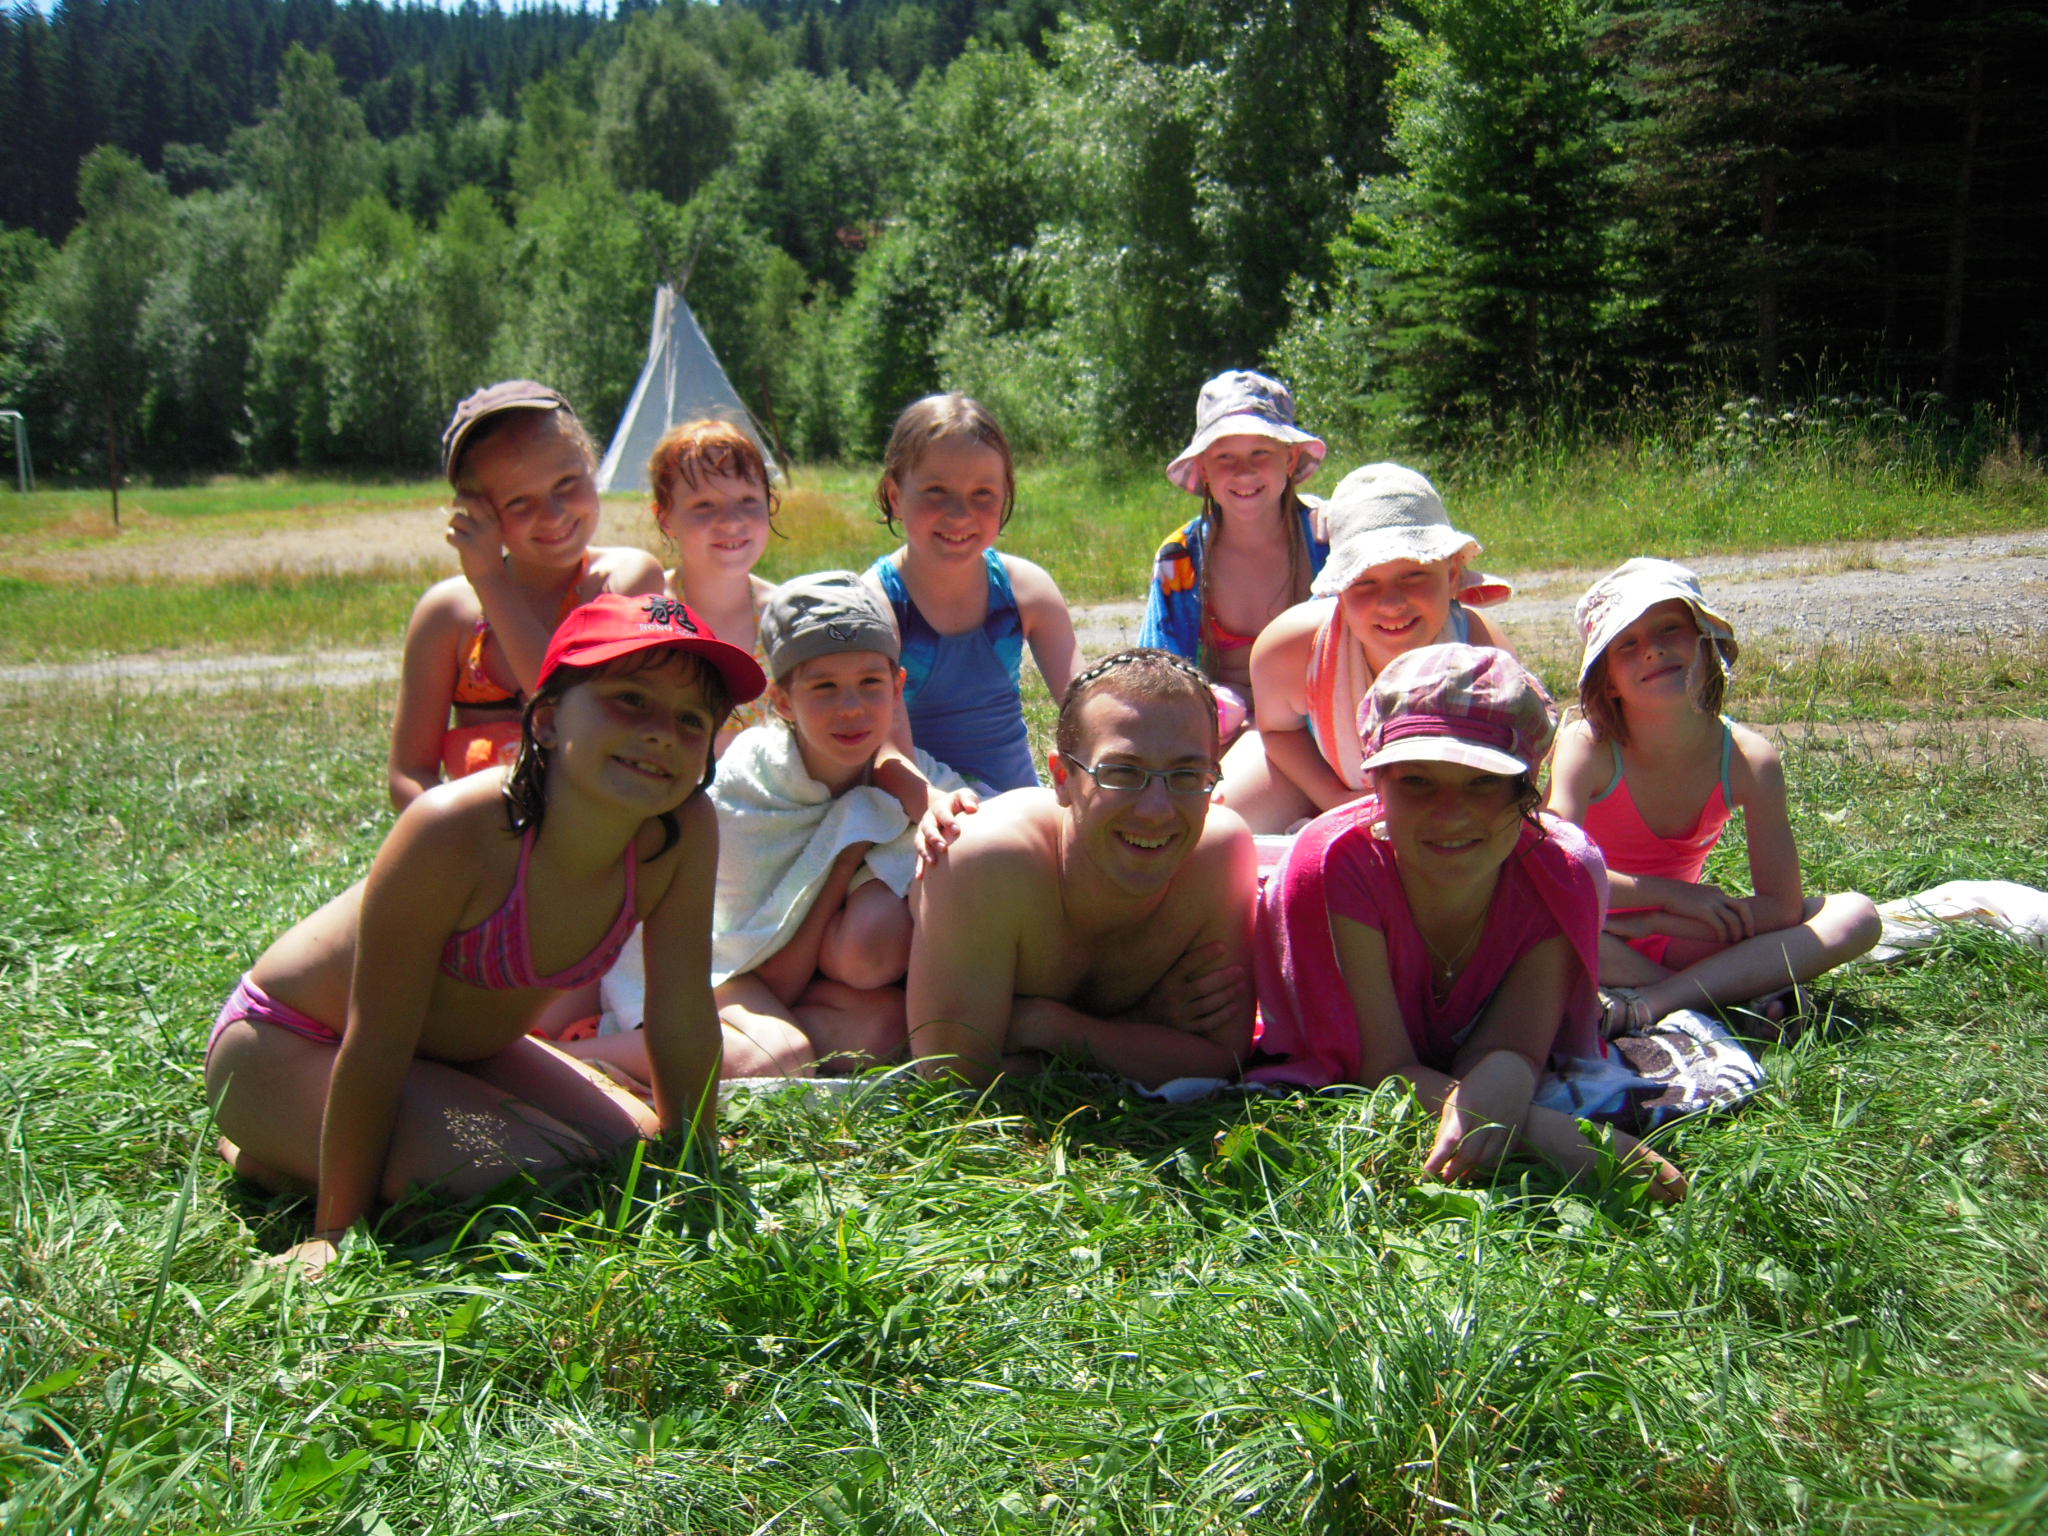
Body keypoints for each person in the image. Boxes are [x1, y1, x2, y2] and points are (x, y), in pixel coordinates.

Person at [206, 593, 765, 1277]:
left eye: (691, 719)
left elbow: (681, 1012)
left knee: (634, 1151)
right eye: (630, 700)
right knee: (528, 1175)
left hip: (460, 1055)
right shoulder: (456, 829)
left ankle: (360, 1138)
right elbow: (377, 1041)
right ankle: (269, 1153)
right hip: (292, 1043)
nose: (662, 734)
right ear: (550, 719)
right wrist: (335, 1230)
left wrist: (695, 1166)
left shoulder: (680, 829)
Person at [1249, 643, 1688, 1201]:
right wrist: (1552, 1135)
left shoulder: (1561, 874)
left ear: (1526, 787)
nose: (1450, 811)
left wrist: (1509, 1067)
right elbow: (1381, 1067)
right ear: (1378, 784)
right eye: (1417, 781)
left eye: (1481, 781)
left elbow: (1516, 1040)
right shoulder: (1334, 866)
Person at [586, 572, 970, 1079]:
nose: (851, 707)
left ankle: (729, 1053)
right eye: (824, 687)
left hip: (788, 983)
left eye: (870, 684)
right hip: (707, 972)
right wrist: (844, 860)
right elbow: (767, 972)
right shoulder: (748, 790)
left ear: (897, 688)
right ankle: (574, 1056)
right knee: (779, 1055)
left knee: (883, 1029)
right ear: (783, 701)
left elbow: (975, 827)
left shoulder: (914, 777)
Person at [1547, 558, 1881, 1033]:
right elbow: (1556, 871)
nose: (1653, 650)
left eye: (1670, 629)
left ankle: (1656, 1000)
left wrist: (1659, 921)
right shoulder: (1587, 746)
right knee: (1538, 924)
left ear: (1708, 644)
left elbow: (1782, 907)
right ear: (1608, 682)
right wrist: (1674, 896)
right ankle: (1724, 994)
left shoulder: (1749, 760)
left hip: (1679, 936)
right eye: (1627, 643)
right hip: (1590, 928)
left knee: (1856, 915)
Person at [906, 649, 1258, 1090]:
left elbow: (1220, 1060)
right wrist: (1142, 1029)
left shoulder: (1219, 855)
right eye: (1122, 773)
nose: (1156, 810)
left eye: (1186, 776)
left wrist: (1047, 1026)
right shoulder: (986, 857)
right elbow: (953, 1076)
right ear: (1062, 779)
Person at [388, 381, 665, 809]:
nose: (552, 515)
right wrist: (462, 836)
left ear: (592, 465)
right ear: (474, 512)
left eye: (566, 482)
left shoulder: (625, 580)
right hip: (476, 837)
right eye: (519, 502)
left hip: (600, 833)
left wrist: (490, 580)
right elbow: (408, 775)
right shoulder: (447, 614)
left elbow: (569, 712)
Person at [1215, 462, 1514, 834]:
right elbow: (1278, 731)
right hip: (1316, 766)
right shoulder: (1292, 649)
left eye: (1414, 574)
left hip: (1441, 785)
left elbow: (1512, 757)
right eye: (1364, 582)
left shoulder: (1480, 647)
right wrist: (1334, 799)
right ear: (1339, 588)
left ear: (1452, 575)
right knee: (1220, 830)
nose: (1391, 603)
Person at [864, 393, 1079, 792]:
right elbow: (887, 753)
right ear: (895, 497)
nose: (960, 513)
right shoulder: (877, 605)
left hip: (1018, 804)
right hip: (917, 809)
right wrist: (939, 808)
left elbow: (1086, 707)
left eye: (982, 493)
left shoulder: (1025, 590)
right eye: (936, 490)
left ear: (1004, 496)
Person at [1138, 369, 1331, 739]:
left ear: (1290, 459)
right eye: (1225, 456)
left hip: (1317, 723)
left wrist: (1351, 513)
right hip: (1220, 728)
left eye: (1261, 452)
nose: (1244, 472)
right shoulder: (1180, 558)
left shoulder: (1328, 540)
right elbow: (1158, 671)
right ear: (1203, 468)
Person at [646, 418, 779, 755]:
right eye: (704, 505)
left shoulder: (786, 614)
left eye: (748, 500)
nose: (732, 521)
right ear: (665, 517)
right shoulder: (647, 612)